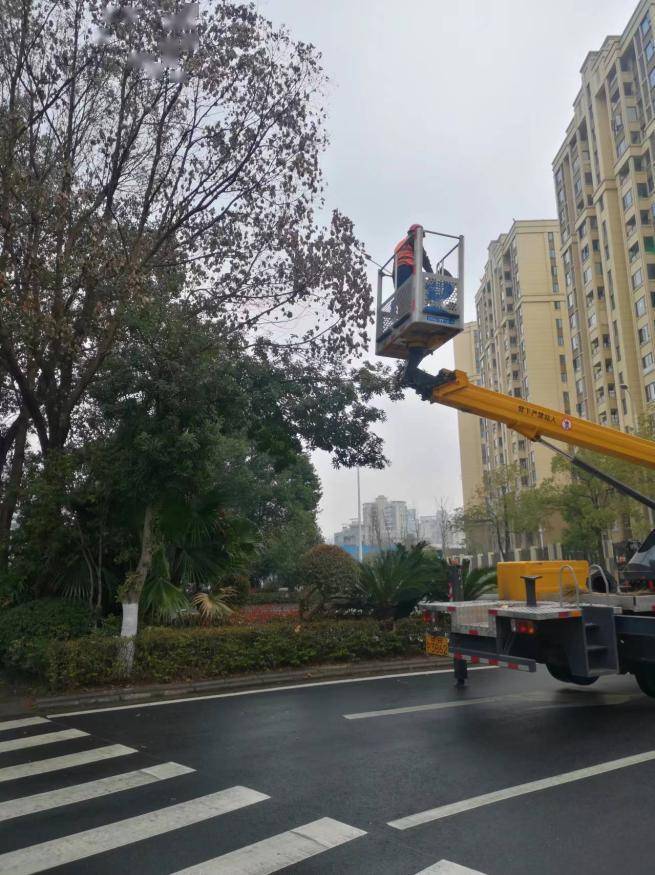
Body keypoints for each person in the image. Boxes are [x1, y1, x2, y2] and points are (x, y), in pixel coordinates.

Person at [394, 223, 433, 290]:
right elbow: (424, 258)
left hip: (396, 272)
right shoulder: (413, 240)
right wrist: (431, 274)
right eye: (421, 236)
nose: (421, 239)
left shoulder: (400, 243)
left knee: (401, 295)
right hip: (407, 269)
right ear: (417, 232)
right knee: (413, 292)